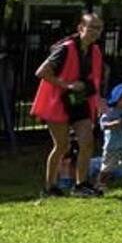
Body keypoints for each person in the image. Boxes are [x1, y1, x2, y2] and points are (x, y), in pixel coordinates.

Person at [31, 12, 107, 198]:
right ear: (81, 28)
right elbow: (41, 72)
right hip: (58, 102)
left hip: (79, 101)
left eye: (99, 28)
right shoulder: (65, 49)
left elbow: (94, 80)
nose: (96, 32)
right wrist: (67, 85)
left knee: (87, 142)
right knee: (62, 145)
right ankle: (50, 187)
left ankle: (81, 185)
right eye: (92, 27)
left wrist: (98, 100)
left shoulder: (95, 51)